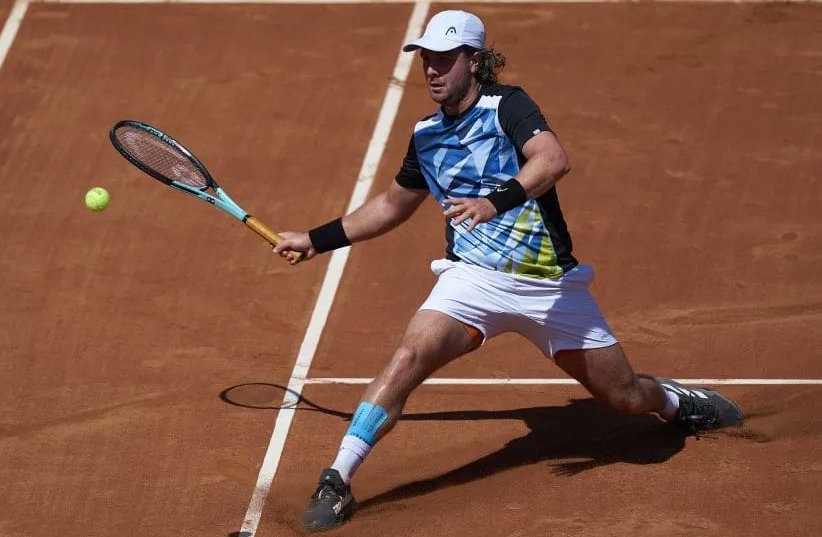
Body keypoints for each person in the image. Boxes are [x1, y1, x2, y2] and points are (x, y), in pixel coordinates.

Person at [272, 9, 742, 532]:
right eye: (426, 59)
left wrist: (496, 203)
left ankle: (678, 402)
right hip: (470, 279)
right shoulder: (426, 135)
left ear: (474, 61)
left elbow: (552, 159)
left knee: (625, 396)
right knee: (410, 353)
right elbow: (390, 205)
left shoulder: (507, 107)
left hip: (550, 288)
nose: (431, 70)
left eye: (444, 59)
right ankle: (337, 477)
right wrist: (315, 240)